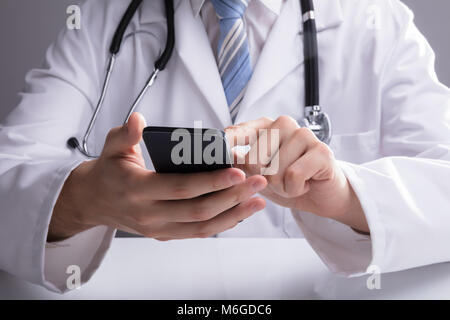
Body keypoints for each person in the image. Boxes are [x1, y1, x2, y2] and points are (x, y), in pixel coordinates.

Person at [0, 0, 449, 293]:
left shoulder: (377, 20)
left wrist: (348, 196)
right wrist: (81, 201)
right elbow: (7, 176)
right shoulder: (104, 19)